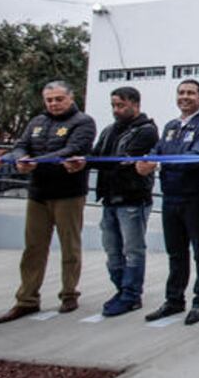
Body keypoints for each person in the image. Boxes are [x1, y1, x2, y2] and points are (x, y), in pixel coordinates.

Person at [0, 81, 96, 323]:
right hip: (38, 193)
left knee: (69, 246)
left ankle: (69, 294)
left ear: (71, 98)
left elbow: (73, 149)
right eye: (49, 100)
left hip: (68, 194)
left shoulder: (83, 122)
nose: (54, 103)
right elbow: (20, 146)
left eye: (59, 99)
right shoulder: (37, 122)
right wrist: (21, 158)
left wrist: (36, 162)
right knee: (33, 248)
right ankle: (27, 300)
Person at [66, 87, 158, 317]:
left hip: (133, 199)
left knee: (133, 250)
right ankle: (121, 290)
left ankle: (131, 295)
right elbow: (97, 155)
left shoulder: (146, 131)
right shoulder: (109, 130)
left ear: (135, 104)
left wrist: (90, 162)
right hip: (109, 198)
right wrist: (82, 161)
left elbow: (123, 161)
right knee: (112, 250)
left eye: (121, 105)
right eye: (114, 105)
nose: (116, 110)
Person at [136, 79, 199, 326]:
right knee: (175, 252)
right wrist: (147, 161)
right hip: (171, 196)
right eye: (181, 92)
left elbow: (196, 157)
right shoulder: (171, 126)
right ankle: (174, 300)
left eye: (191, 93)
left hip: (197, 198)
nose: (185, 97)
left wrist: (160, 162)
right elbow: (157, 150)